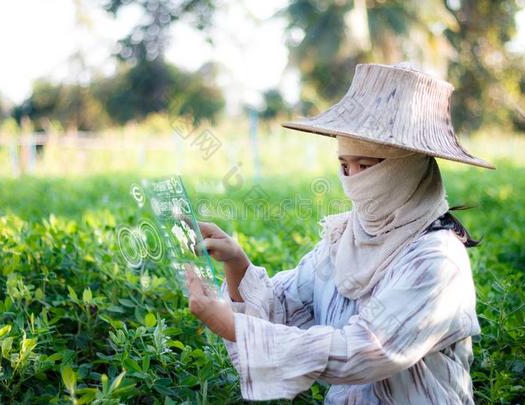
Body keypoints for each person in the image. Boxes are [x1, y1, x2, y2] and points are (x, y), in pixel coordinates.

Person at [184, 62, 495, 403]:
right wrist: (236, 263)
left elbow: (366, 351)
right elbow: (285, 308)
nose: (353, 180)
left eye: (366, 166)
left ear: (408, 167)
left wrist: (235, 328)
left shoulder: (438, 260)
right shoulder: (343, 240)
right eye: (345, 166)